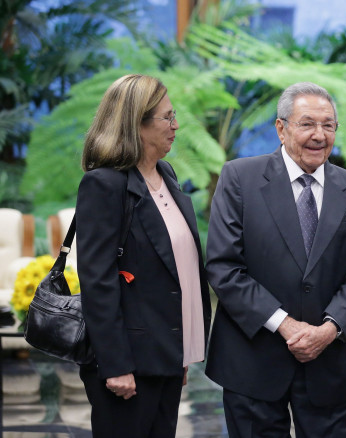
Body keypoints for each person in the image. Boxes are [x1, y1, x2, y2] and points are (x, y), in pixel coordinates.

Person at [204, 82, 346, 437]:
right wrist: (286, 325)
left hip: (327, 362)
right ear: (281, 128)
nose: (319, 135)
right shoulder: (240, 178)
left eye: (328, 125)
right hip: (253, 361)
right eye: (307, 123)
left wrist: (328, 330)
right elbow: (224, 267)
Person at [76, 74, 212, 438]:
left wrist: (180, 352)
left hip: (165, 356)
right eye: (167, 117)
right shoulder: (104, 184)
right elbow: (98, 281)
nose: (176, 125)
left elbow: (175, 272)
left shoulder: (165, 174)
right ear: (137, 123)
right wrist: (115, 365)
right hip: (128, 366)